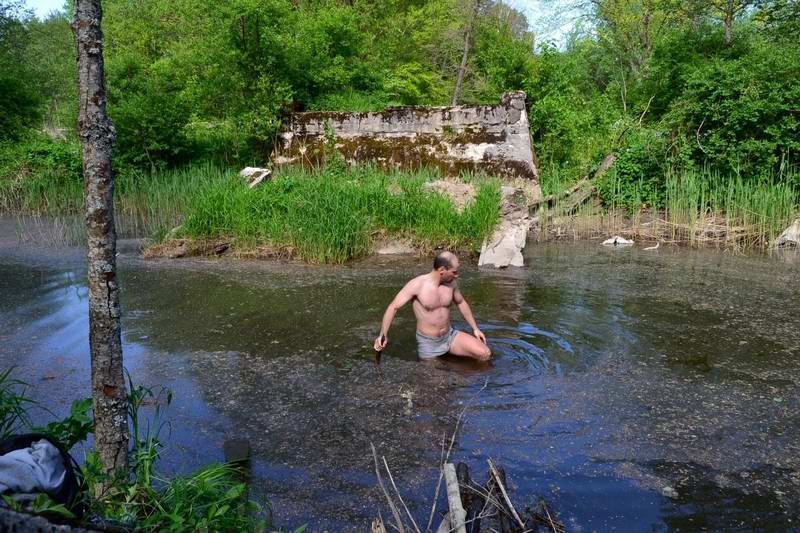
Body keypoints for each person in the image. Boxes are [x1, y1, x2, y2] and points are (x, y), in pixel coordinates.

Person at [373, 251, 491, 361]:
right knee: (438, 381)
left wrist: (475, 329)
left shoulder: (451, 284)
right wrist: (383, 335)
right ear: (442, 270)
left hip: (450, 336)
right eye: (454, 272)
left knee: (484, 353)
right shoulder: (417, 285)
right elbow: (393, 307)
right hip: (429, 343)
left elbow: (461, 303)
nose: (457, 276)